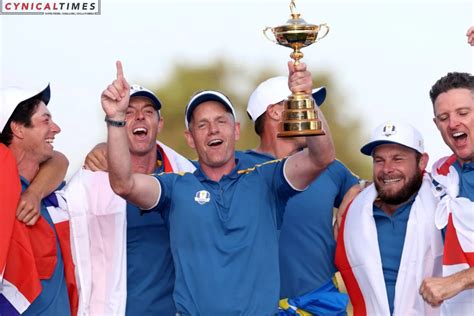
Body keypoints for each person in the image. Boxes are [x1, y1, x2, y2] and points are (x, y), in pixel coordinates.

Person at [101, 60, 335, 315]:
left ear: (235, 130)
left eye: (221, 121)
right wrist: (115, 119)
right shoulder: (176, 187)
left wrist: (306, 99)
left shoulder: (267, 179)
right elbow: (123, 184)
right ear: (190, 138)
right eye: (202, 124)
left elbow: (321, 157)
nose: (213, 129)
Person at [64, 84, 195, 315]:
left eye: (148, 111)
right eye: (129, 112)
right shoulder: (89, 182)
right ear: (118, 123)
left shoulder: (187, 176)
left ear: (159, 123)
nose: (140, 117)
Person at [243, 76, 357, 315]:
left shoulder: (331, 168)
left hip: (322, 306)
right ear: (274, 112)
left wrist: (355, 195)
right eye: (304, 103)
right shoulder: (237, 167)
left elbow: (375, 194)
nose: (312, 114)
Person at [335, 121, 443, 315]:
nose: (387, 169)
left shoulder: (445, 207)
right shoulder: (355, 213)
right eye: (379, 160)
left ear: (422, 162)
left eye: (398, 159)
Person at [0, 84, 78, 315]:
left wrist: (34, 193)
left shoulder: (49, 192)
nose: (56, 128)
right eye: (46, 120)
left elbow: (59, 160)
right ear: (18, 128)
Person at [419, 72, 474, 314]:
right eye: (444, 117)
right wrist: (356, 188)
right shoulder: (440, 174)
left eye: (463, 113)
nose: (453, 124)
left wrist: (458, 280)